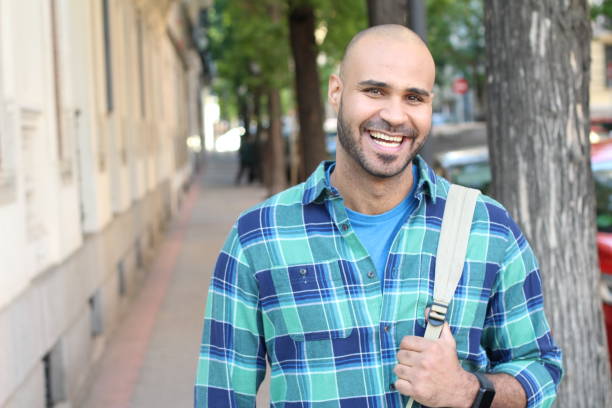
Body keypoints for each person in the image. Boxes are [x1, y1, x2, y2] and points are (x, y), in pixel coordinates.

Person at [195, 25, 563, 408]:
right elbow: (221, 395)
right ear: (336, 93)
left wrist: (467, 390)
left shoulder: (487, 228)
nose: (394, 115)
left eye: (414, 97)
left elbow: (540, 370)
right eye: (375, 91)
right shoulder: (258, 237)